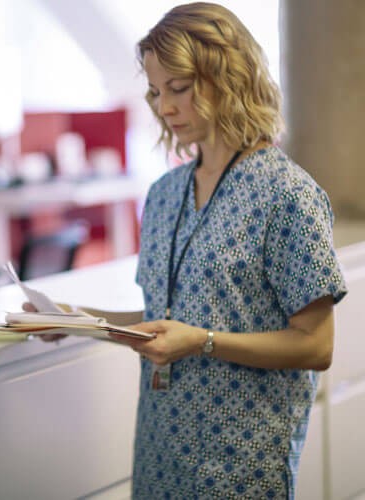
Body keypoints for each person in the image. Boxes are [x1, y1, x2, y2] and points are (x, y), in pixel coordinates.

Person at [106, 3, 348, 498]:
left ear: (227, 78)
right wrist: (73, 320)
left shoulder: (287, 195)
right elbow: (165, 320)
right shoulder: (164, 195)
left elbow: (316, 346)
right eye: (155, 91)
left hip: (240, 467)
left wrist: (202, 341)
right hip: (158, 456)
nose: (164, 108)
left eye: (178, 87)